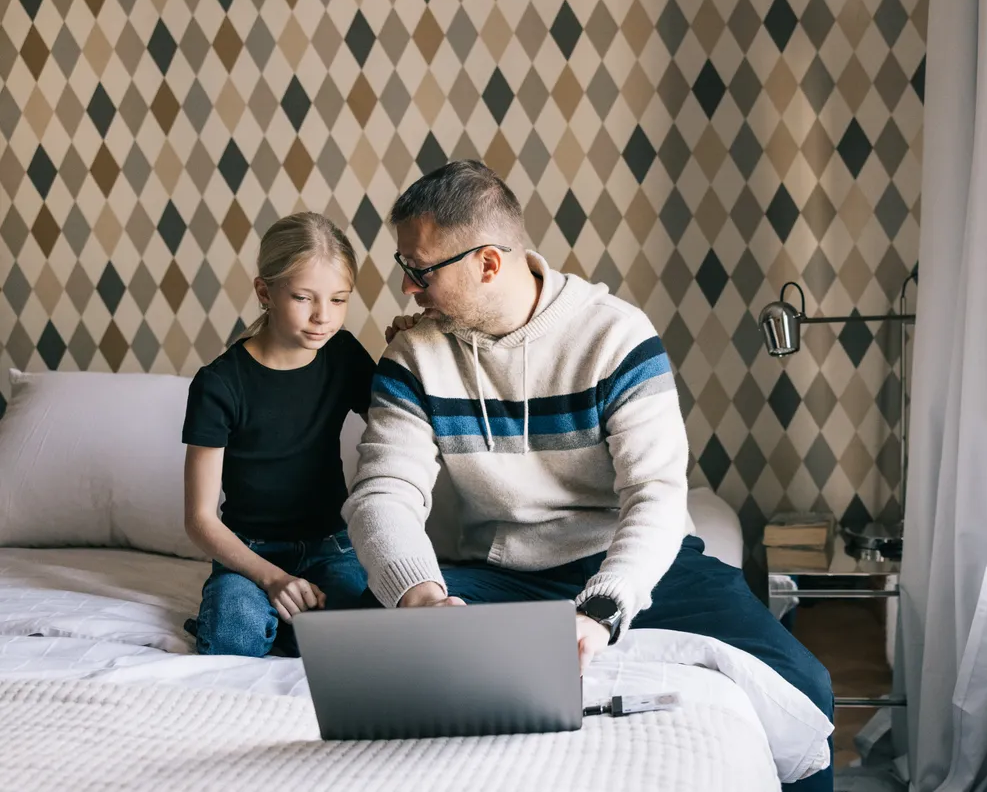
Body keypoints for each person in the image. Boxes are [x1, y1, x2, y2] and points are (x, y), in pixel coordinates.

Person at [345, 160, 834, 791]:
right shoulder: (414, 354)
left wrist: (603, 607)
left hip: (635, 563)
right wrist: (422, 598)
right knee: (352, 646)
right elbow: (383, 491)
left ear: (488, 263)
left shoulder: (616, 337)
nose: (408, 288)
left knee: (806, 682)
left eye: (420, 269)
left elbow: (656, 494)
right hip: (502, 574)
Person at [182, 212, 376, 657]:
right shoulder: (219, 384)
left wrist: (414, 340)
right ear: (264, 292)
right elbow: (199, 520)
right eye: (304, 297)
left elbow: (401, 423)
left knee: (361, 638)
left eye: (339, 300)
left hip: (331, 545)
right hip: (249, 553)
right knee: (235, 632)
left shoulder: (342, 356)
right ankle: (254, 616)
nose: (323, 317)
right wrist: (272, 579)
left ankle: (291, 625)